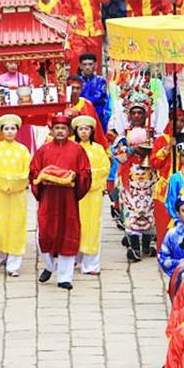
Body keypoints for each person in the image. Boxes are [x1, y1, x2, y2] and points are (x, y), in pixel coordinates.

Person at [30, 113, 93, 289]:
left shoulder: (77, 150)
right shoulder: (43, 150)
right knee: (43, 235)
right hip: (48, 198)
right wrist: (41, 179)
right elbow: (33, 171)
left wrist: (75, 177)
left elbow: (86, 172)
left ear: (69, 131)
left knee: (68, 235)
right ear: (52, 130)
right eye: (57, 128)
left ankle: (65, 277)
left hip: (68, 200)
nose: (60, 131)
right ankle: (50, 266)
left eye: (63, 129)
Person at [0, 114, 32, 277]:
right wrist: (3, 183)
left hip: (17, 195)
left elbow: (27, 171)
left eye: (13, 129)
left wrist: (15, 183)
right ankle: (1, 256)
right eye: (6, 129)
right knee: (0, 225)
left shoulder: (23, 150)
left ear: (17, 131)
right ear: (1, 131)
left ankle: (14, 264)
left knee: (17, 226)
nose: (10, 132)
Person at [73, 115, 110, 275]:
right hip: (75, 194)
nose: (83, 132)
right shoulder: (72, 148)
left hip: (93, 193)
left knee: (93, 226)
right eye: (80, 129)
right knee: (75, 225)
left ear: (92, 131)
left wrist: (88, 177)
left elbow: (104, 169)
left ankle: (91, 264)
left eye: (86, 129)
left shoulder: (98, 149)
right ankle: (74, 257)